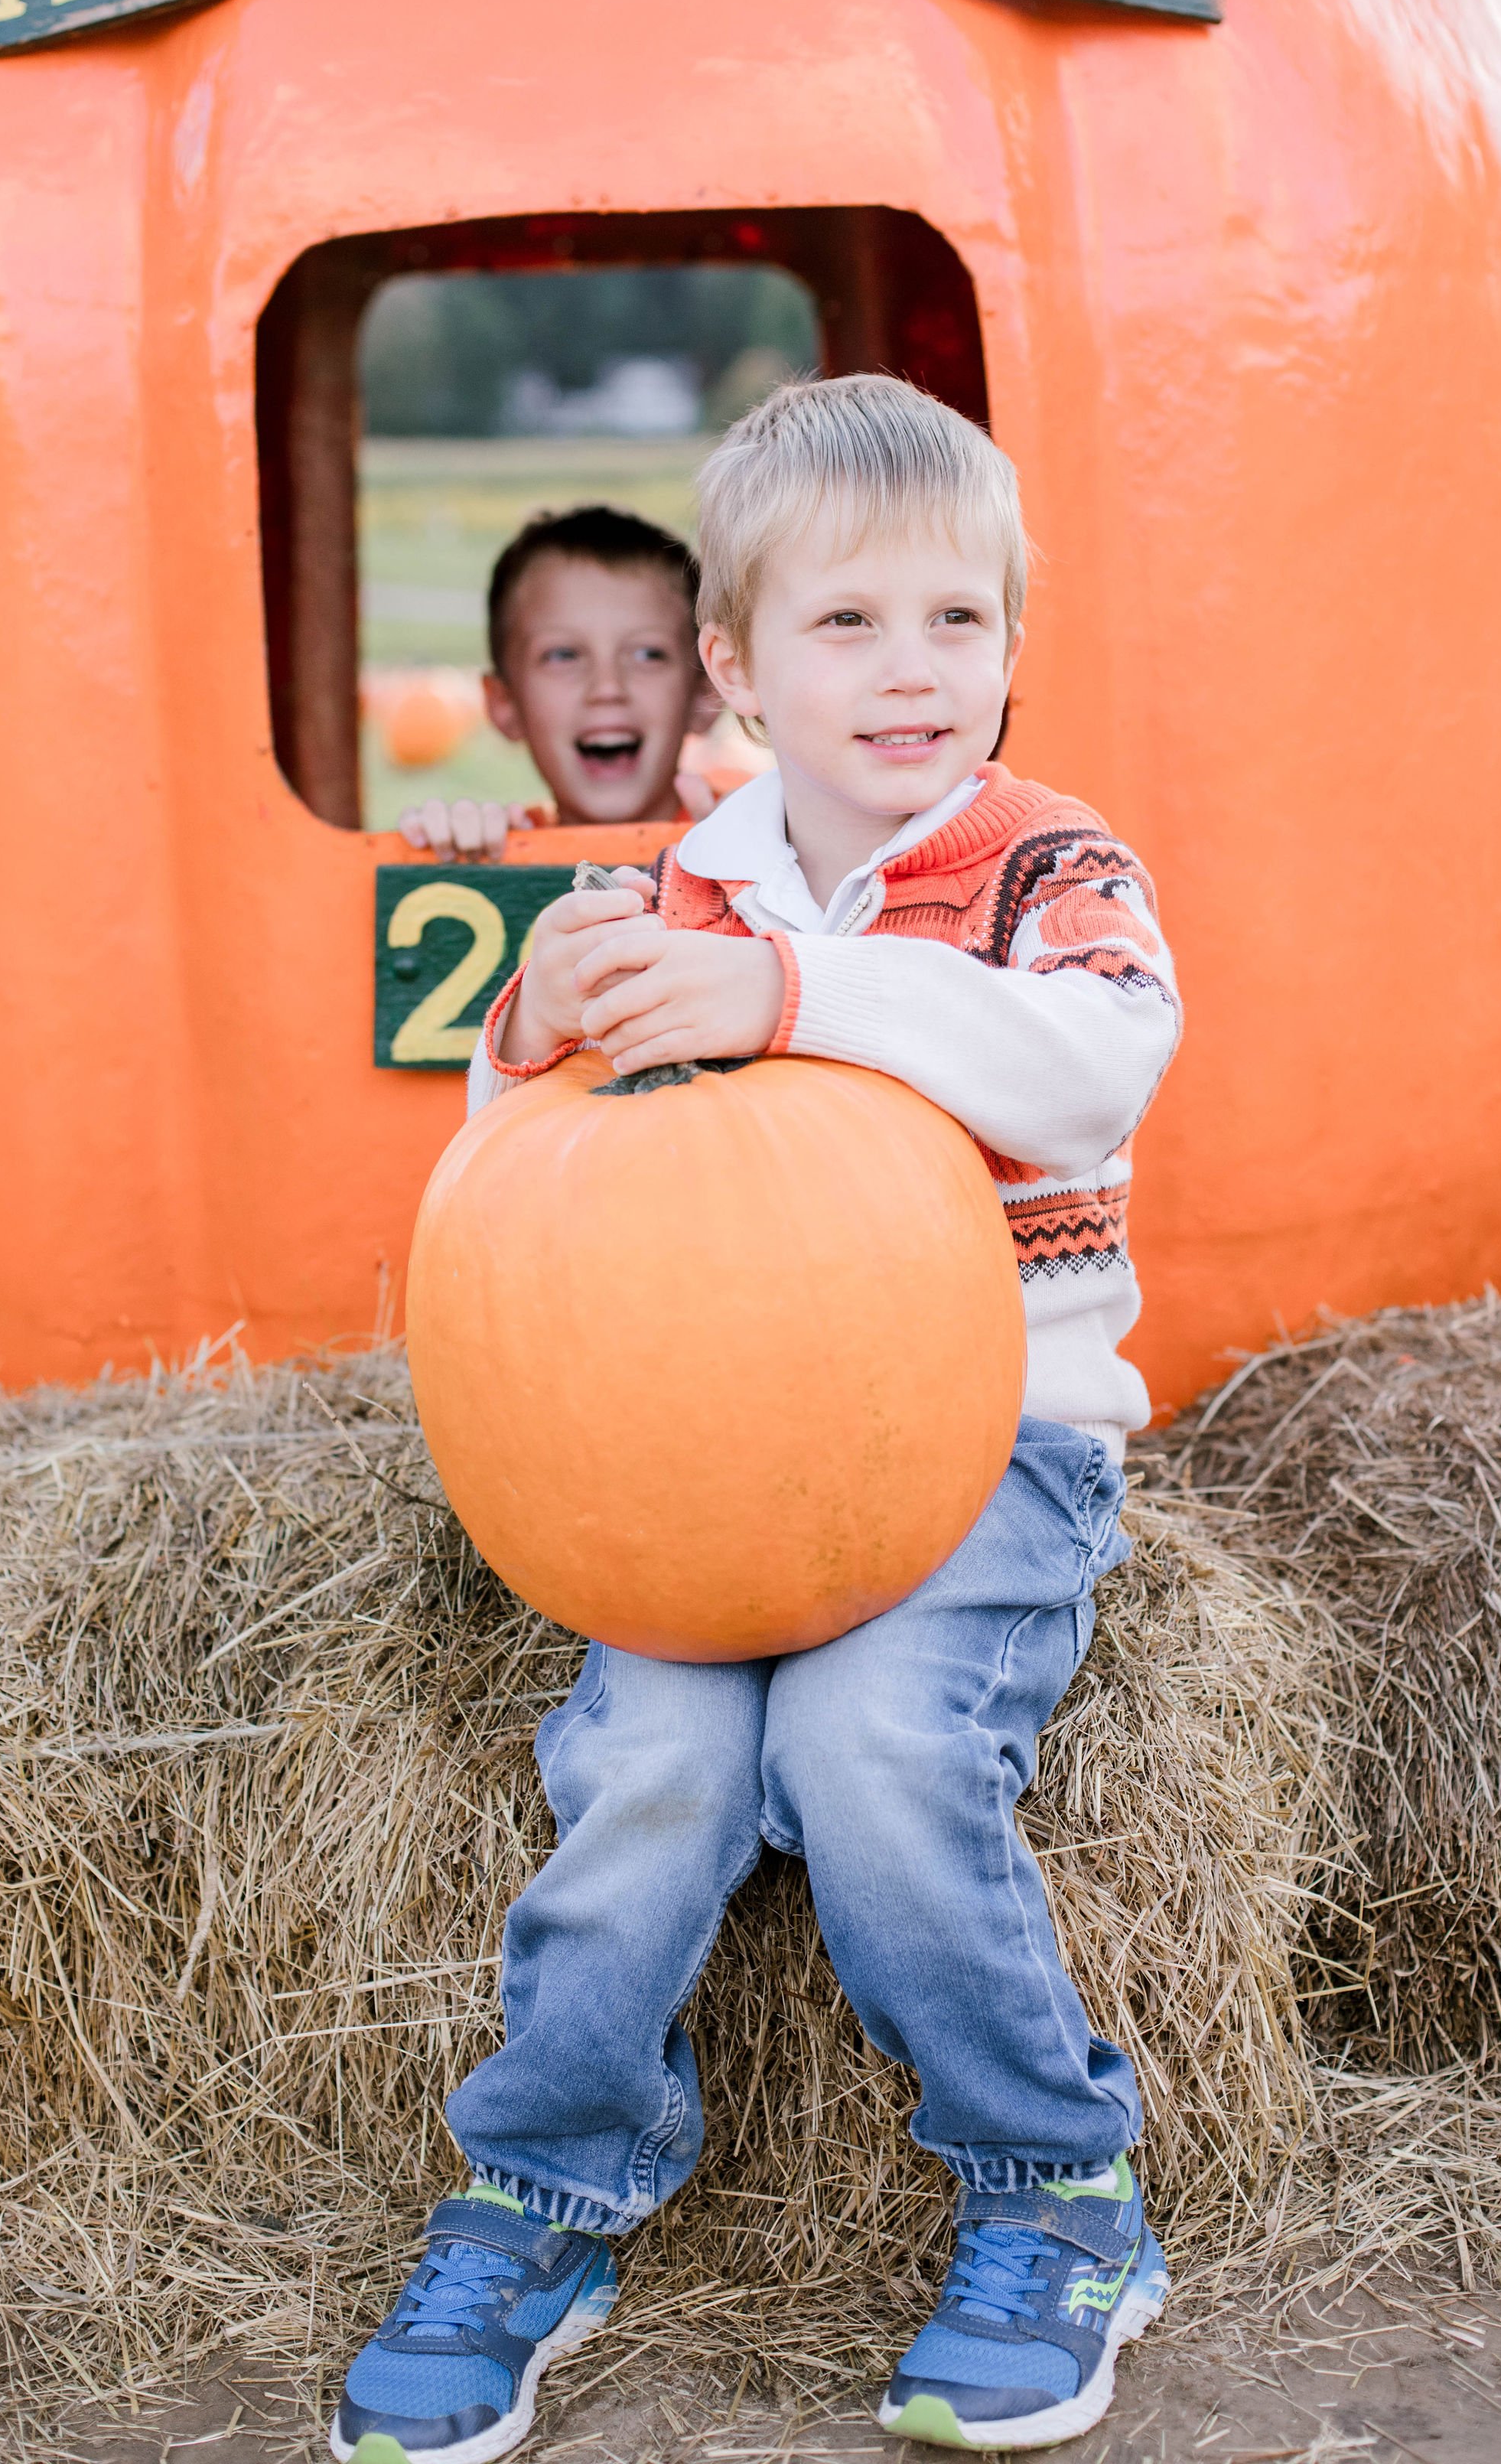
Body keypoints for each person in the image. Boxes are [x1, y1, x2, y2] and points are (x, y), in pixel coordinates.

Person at [334, 377, 1182, 2464]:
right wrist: (531, 1026)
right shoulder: (692, 888)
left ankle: (1052, 2188)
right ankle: (546, 2184)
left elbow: (1091, 1066)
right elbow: (542, 1169)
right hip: (702, 1461)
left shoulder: (1039, 866)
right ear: (736, 660)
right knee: (643, 1766)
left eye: (957, 624)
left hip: (996, 1445)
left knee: (872, 1745)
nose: (913, 673)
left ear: (1009, 641)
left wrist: (794, 1005)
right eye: (848, 626)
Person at [396, 504, 728, 859]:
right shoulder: (497, 854)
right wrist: (443, 861)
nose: (607, 688)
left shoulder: (765, 836)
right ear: (504, 705)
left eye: (647, 654)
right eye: (563, 656)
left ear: (706, 693)